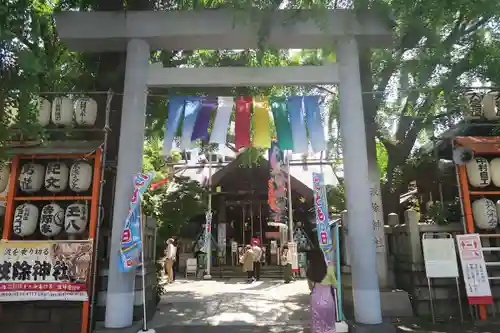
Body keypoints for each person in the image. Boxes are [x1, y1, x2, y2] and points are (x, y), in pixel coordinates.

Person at [306, 249, 337, 333]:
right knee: (329, 324)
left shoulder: (310, 270)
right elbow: (335, 285)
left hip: (315, 300)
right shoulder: (329, 268)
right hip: (328, 299)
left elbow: (310, 287)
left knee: (317, 325)